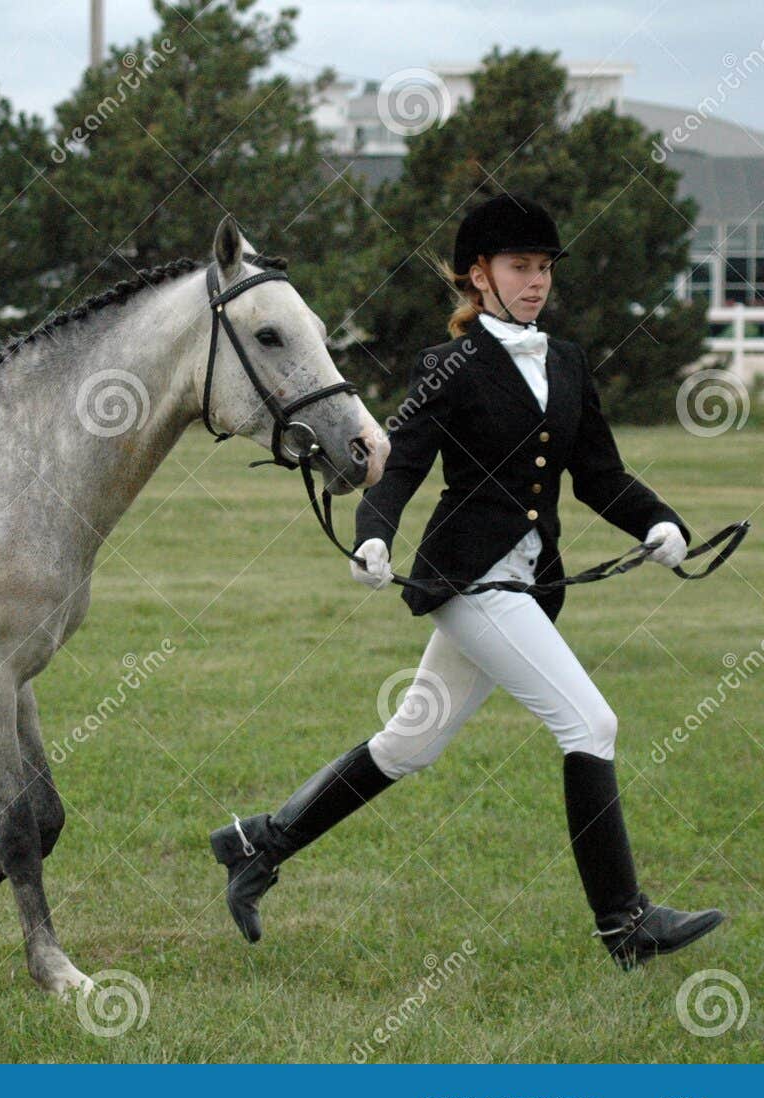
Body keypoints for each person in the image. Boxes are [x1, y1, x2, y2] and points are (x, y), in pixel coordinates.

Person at [209, 192, 724, 969]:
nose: (536, 281)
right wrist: (374, 535)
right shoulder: (447, 365)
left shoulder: (569, 361)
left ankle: (258, 842)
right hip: (472, 581)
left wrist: (659, 521)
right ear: (478, 276)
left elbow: (599, 475)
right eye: (521, 266)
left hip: (528, 583)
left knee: (408, 742)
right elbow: (404, 461)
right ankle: (626, 924)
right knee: (592, 725)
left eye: (544, 267)